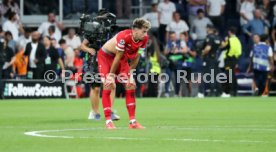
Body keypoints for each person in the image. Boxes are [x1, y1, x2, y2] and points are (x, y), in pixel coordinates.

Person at [97, 18, 150, 129]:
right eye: (143, 31)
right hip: (106, 57)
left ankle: (133, 122)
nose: (145, 34)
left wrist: (130, 74)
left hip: (121, 59)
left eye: (146, 32)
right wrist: (111, 76)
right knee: (108, 85)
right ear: (135, 30)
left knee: (130, 85)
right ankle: (108, 122)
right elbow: (118, 56)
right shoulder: (124, 37)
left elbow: (137, 57)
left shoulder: (144, 39)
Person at [80, 39, 120, 121]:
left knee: (111, 85)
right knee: (96, 88)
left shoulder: (110, 32)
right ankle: (95, 112)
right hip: (94, 61)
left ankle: (110, 111)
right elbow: (82, 46)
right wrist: (89, 50)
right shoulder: (93, 32)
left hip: (107, 59)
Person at [198, 24, 221, 97]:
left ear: (208, 29)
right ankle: (219, 92)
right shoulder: (217, 37)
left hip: (209, 58)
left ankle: (201, 93)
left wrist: (202, 53)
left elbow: (208, 48)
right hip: (215, 58)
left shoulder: (209, 37)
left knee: (206, 75)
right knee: (216, 75)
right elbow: (222, 45)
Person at [221, 27, 242, 97]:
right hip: (235, 59)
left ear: (230, 32)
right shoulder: (237, 40)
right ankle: (234, 91)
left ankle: (228, 92)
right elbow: (239, 51)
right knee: (232, 75)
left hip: (229, 60)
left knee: (229, 75)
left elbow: (223, 47)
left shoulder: (229, 40)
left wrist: (224, 41)